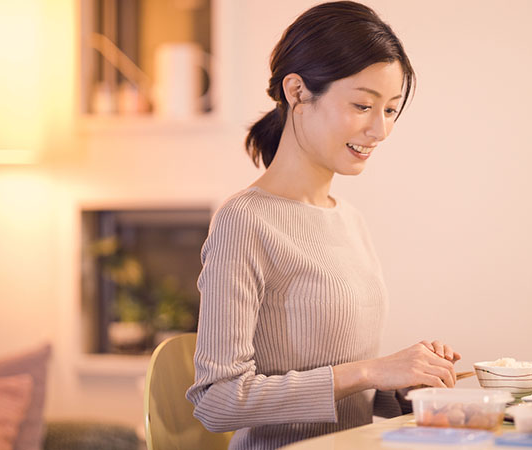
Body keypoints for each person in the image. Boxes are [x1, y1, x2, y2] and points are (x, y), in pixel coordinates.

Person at [186, 2, 461, 448]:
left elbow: (348, 397)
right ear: (296, 92)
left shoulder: (348, 221)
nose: (380, 130)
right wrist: (372, 369)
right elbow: (217, 402)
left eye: (390, 110)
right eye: (362, 105)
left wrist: (406, 385)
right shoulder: (245, 222)